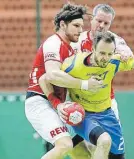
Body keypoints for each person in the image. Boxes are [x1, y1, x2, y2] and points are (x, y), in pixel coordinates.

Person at [25, 4, 102, 159]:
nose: (80, 30)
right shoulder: (53, 43)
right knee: (65, 144)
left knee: (85, 152)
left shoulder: (71, 48)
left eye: (81, 26)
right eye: (76, 25)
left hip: (57, 105)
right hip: (40, 102)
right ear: (62, 24)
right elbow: (50, 76)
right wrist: (85, 84)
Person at [71, 4, 134, 121]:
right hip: (78, 100)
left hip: (106, 101)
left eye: (106, 23)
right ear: (91, 19)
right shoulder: (78, 40)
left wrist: (125, 54)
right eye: (99, 21)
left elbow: (128, 54)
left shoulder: (114, 40)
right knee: (75, 138)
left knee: (113, 139)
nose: (101, 26)